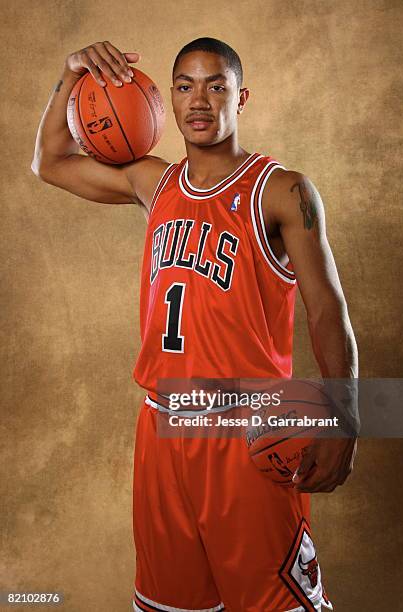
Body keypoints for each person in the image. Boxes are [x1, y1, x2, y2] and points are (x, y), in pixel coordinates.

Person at [32, 37, 358, 612]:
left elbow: (327, 308)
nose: (199, 100)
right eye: (185, 85)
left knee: (273, 604)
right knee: (171, 606)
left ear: (242, 97)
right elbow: (49, 163)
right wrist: (69, 73)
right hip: (161, 429)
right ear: (168, 100)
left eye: (216, 85)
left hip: (246, 431)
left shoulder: (282, 190)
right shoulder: (153, 183)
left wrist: (348, 420)